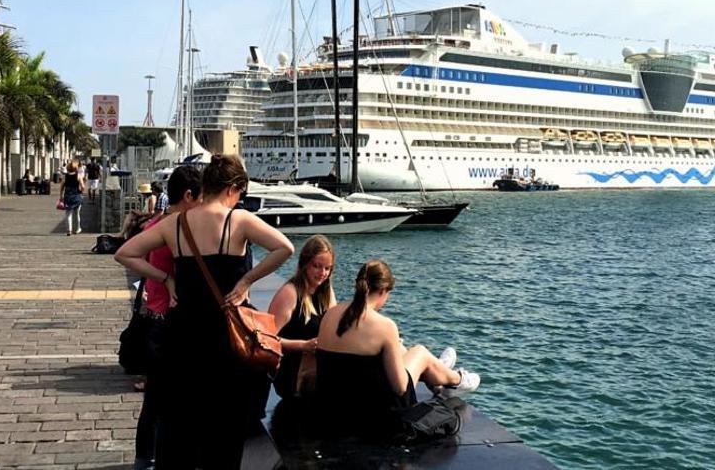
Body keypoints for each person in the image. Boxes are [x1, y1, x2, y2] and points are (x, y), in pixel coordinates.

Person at [115, 154, 294, 469]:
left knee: (179, 423)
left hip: (182, 335)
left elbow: (125, 253)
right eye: (240, 194)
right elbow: (284, 248)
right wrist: (246, 281)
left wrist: (166, 278)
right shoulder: (237, 221)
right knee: (224, 429)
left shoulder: (176, 223)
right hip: (225, 338)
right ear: (232, 189)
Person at [315, 260, 480, 439]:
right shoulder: (385, 326)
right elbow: (401, 388)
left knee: (399, 348)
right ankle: (456, 380)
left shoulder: (330, 314)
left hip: (333, 406)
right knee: (419, 352)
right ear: (383, 291)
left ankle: (437, 371)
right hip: (374, 414)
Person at [130, 166, 203, 470]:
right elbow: (125, 254)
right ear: (188, 196)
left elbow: (129, 256)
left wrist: (158, 278)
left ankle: (144, 458)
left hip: (154, 317)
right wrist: (167, 279)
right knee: (170, 399)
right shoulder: (176, 228)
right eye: (199, 198)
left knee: (155, 399)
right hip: (169, 322)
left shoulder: (158, 224)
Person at [268, 235, 336, 399]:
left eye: (327, 268)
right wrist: (303, 345)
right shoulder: (290, 293)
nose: (322, 273)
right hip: (292, 371)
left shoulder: (326, 293)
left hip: (315, 367)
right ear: (305, 265)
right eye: (317, 266)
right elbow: (268, 339)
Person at [59, 161, 85, 235]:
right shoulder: (78, 176)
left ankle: (69, 230)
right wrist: (81, 191)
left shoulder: (65, 176)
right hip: (76, 195)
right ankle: (77, 229)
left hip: (67, 196)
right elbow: (83, 186)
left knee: (68, 214)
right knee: (77, 213)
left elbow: (61, 187)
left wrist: (61, 196)